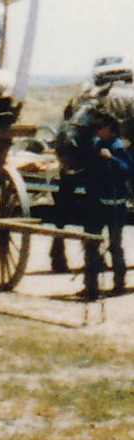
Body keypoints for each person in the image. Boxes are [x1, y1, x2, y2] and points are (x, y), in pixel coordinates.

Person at [78, 108, 131, 301]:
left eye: (99, 127)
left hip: (115, 204)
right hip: (96, 202)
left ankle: (119, 284)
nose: (96, 131)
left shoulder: (118, 147)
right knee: (90, 243)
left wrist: (112, 159)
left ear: (109, 128)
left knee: (115, 245)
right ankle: (90, 287)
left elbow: (127, 170)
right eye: (95, 127)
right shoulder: (96, 144)